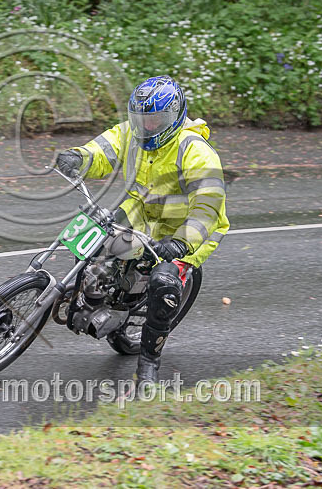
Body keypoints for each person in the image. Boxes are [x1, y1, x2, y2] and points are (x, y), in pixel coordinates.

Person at [55, 75, 229, 383]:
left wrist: (180, 244)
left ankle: (149, 361)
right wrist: (79, 157)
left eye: (156, 119)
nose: (147, 126)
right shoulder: (131, 133)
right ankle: (88, 296)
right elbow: (103, 149)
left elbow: (207, 209)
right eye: (142, 118)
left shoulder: (197, 152)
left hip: (185, 233)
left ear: (174, 115)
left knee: (164, 283)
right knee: (90, 239)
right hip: (142, 212)